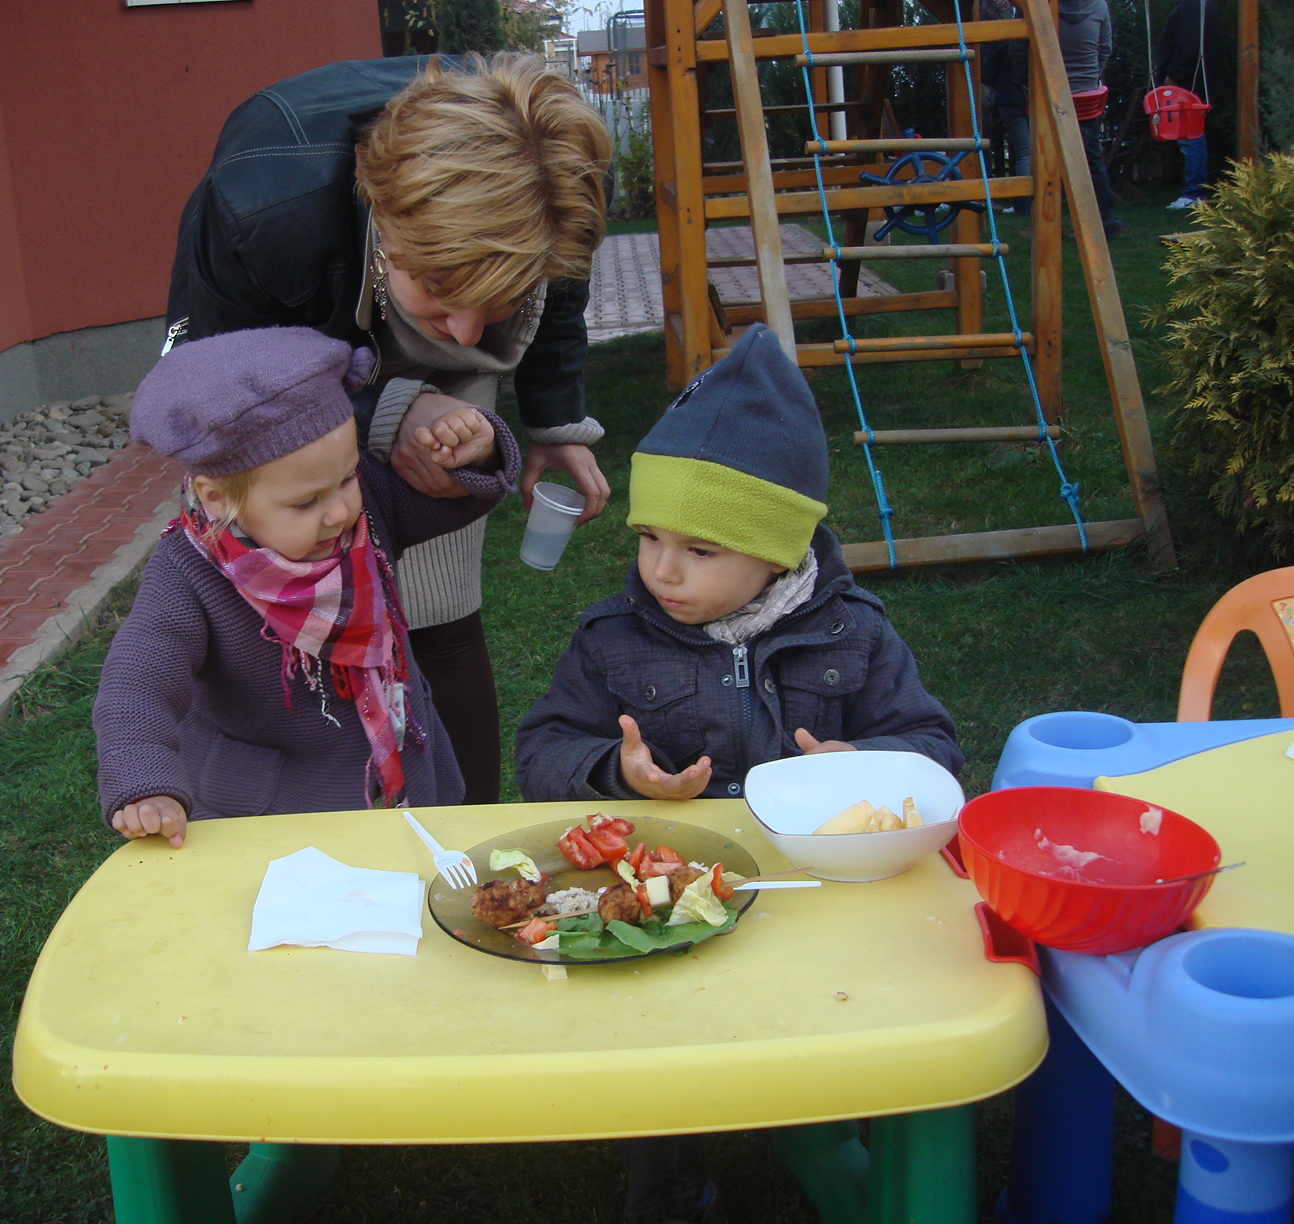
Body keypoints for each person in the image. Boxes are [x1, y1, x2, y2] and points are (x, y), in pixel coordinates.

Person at [513, 323, 961, 1224]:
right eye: (650, 537)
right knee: (659, 1049)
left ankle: (824, 1135)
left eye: (702, 550)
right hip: (667, 902)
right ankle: (670, 1186)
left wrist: (869, 768)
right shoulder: (612, 639)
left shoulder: (855, 632)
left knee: (837, 1030)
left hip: (817, 899)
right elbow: (540, 748)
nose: (662, 570)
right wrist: (618, 774)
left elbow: (935, 747)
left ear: (780, 550)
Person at [164, 53, 614, 804]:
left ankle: (466, 834)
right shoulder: (260, 209)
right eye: (441, 289)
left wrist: (553, 418)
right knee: (289, 622)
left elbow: (557, 288)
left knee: (440, 612)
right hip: (292, 337)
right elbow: (219, 397)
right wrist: (386, 409)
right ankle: (293, 814)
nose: (466, 332)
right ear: (388, 220)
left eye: (500, 296)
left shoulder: (558, 179)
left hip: (399, 286)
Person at [93, 327, 520, 845]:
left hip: (408, 781)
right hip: (276, 818)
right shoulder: (187, 571)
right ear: (216, 498)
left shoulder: (363, 514)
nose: (340, 511)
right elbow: (137, 683)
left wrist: (476, 455)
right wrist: (144, 781)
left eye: (348, 478)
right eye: (305, 502)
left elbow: (453, 499)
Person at [1058, 0, 1120, 238]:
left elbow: (1021, 50)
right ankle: (1106, 221)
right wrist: (1091, 78)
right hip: (1087, 93)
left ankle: (1049, 222)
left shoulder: (1041, 5)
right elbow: (1105, 48)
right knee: (1092, 159)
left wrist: (1028, 82)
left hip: (1052, 90)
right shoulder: (1099, 6)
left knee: (1047, 160)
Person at [1158, 0, 1220, 208]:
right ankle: (1195, 191)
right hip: (1195, 80)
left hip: (1188, 83)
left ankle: (1194, 193)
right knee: (1191, 136)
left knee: (1191, 137)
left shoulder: (1193, 5)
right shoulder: (1199, 5)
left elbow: (1190, 47)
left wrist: (1172, 77)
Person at [981, 1, 1030, 216]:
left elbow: (988, 73)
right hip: (1033, 96)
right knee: (1031, 151)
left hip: (1010, 98)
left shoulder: (1000, 36)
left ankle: (1024, 206)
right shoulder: (1036, 30)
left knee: (1023, 153)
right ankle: (1032, 203)